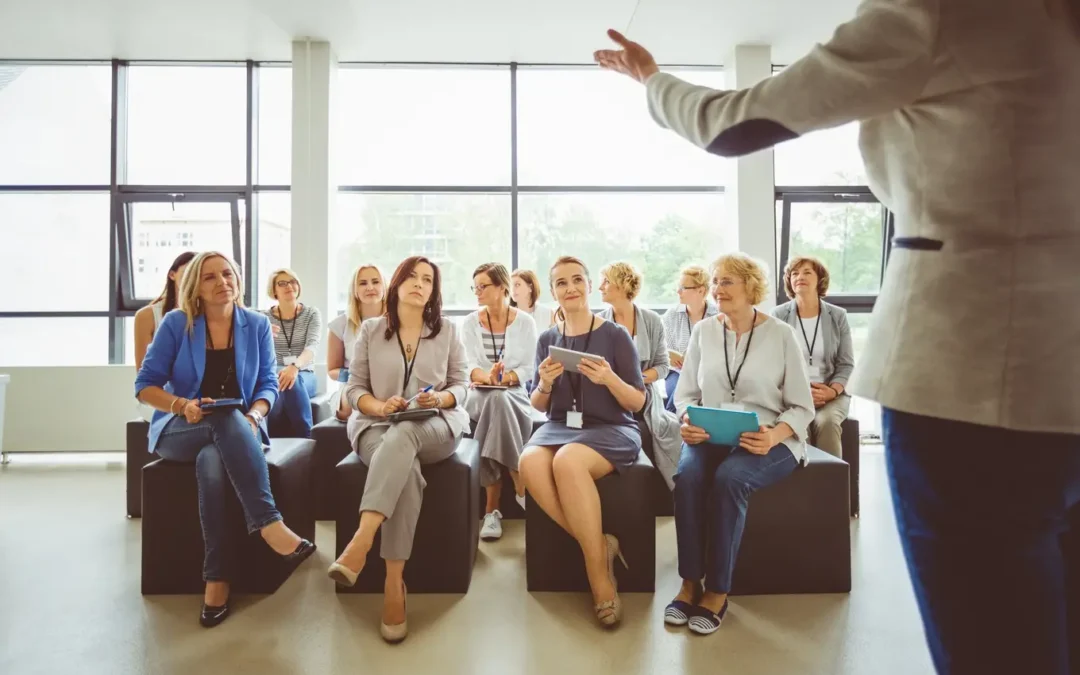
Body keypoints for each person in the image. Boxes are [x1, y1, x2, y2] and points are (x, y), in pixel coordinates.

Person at [595, 7, 1080, 671]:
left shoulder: (936, 13)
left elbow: (731, 122)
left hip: (970, 373)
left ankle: (716, 587)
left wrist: (650, 77)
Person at [134, 251, 316, 628]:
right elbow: (144, 386)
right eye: (210, 277)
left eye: (228, 274)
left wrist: (255, 415)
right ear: (194, 288)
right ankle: (269, 524)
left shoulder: (256, 324)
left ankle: (216, 578)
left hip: (239, 429)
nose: (223, 282)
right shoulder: (176, 323)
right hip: (180, 429)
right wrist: (181, 404)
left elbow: (267, 383)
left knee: (213, 459)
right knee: (223, 420)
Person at [667, 253, 813, 635]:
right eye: (715, 281)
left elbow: (802, 406)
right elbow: (684, 395)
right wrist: (688, 419)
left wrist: (773, 436)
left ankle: (717, 591)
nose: (718, 289)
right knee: (687, 477)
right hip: (711, 433)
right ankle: (688, 583)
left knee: (731, 478)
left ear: (752, 287)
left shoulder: (781, 334)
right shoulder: (704, 332)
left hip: (768, 437)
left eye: (727, 281)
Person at [327, 255, 469, 644]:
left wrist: (439, 399)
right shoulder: (372, 329)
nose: (419, 283)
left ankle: (362, 540)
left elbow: (461, 386)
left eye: (428, 279)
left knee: (404, 436)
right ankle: (394, 583)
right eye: (412, 276)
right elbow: (354, 389)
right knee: (402, 462)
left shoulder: (448, 331)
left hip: (435, 426)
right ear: (398, 283)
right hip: (376, 425)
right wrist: (378, 406)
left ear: (433, 292)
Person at [521, 256, 646, 628]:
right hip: (562, 425)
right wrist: (544, 382)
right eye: (561, 283)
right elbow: (538, 404)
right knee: (528, 461)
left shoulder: (615, 335)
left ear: (590, 286)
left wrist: (609, 379)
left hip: (612, 427)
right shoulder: (547, 339)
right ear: (554, 292)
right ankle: (601, 544)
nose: (570, 287)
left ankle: (598, 576)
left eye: (577, 280)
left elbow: (637, 402)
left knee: (568, 460)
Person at [463, 262, 539, 541]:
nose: (478, 292)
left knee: (499, 401)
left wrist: (504, 379)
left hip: (513, 393)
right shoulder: (470, 322)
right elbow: (468, 365)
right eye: (476, 287)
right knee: (494, 399)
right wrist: (486, 376)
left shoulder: (525, 322)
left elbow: (530, 368)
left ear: (502, 288)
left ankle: (492, 510)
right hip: (477, 393)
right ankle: (519, 480)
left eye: (483, 286)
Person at [596, 261, 683, 489]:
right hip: (608, 394)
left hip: (644, 393)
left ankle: (675, 486)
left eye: (606, 281)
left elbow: (663, 366)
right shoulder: (599, 323)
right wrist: (616, 384)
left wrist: (637, 381)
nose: (599, 287)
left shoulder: (652, 321)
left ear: (623, 284)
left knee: (670, 428)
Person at [772, 256, 855, 458]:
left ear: (820, 279)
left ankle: (832, 485)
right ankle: (804, 487)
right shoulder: (778, 315)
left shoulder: (838, 316)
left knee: (826, 423)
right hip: (792, 393)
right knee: (800, 425)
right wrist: (797, 392)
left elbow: (846, 363)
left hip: (830, 392)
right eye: (794, 273)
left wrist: (831, 392)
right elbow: (772, 363)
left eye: (807, 272)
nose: (800, 277)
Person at [262, 268, 323, 438]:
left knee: (292, 381)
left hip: (305, 373)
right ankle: (276, 446)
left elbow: (312, 347)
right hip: (276, 374)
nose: (289, 286)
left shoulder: (311, 313)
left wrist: (294, 367)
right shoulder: (264, 318)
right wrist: (262, 332)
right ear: (274, 290)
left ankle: (306, 440)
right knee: (278, 382)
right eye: (282, 283)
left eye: (293, 281)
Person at [328, 264, 386, 422]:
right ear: (354, 290)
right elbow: (332, 370)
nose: (370, 287)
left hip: (388, 386)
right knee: (351, 406)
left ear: (384, 286)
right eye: (362, 283)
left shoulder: (398, 321)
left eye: (375, 282)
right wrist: (357, 376)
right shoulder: (340, 324)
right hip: (352, 385)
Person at [660, 265, 718, 414]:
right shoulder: (671, 315)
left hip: (710, 372)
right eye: (679, 287)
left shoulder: (718, 316)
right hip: (677, 372)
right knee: (676, 396)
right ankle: (674, 431)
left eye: (684, 287)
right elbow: (661, 349)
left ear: (701, 291)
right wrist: (669, 355)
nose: (678, 291)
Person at [134, 251, 197, 371]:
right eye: (187, 273)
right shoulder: (147, 316)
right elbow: (143, 373)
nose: (192, 280)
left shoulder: (210, 314)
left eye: (198, 275)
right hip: (162, 388)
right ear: (172, 275)